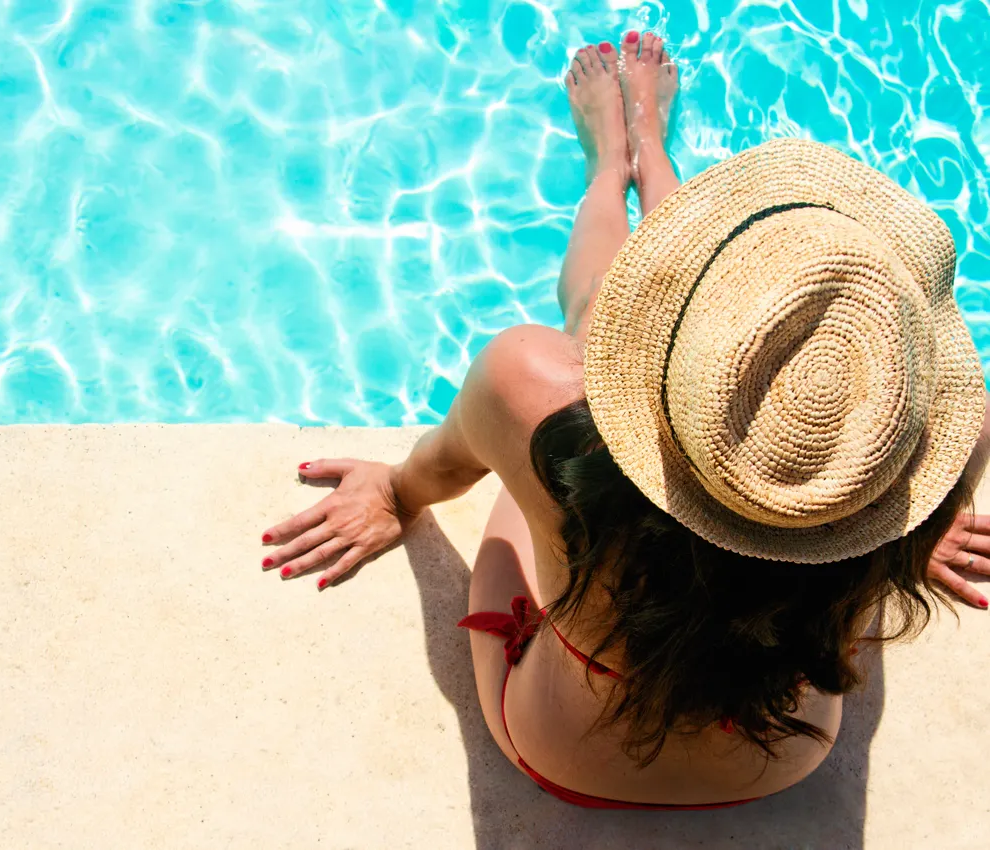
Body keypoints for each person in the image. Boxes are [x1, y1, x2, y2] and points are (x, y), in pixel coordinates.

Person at [258, 30, 990, 808]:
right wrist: (907, 513)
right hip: (785, 757)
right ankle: (651, 153)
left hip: (564, 753)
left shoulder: (527, 385)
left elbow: (436, 470)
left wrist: (394, 495)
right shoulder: (947, 429)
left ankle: (615, 161)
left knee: (593, 328)